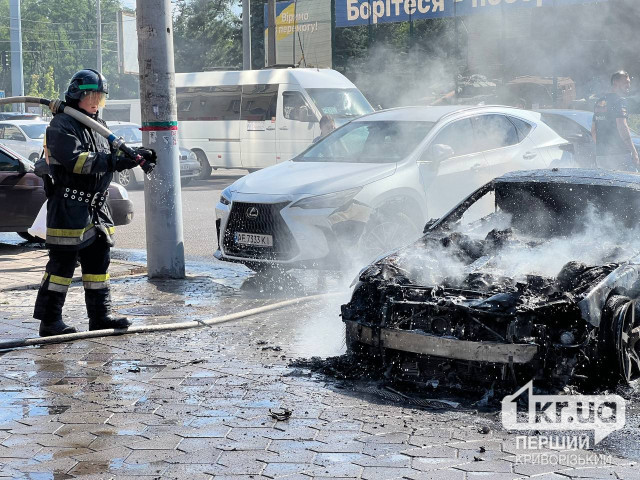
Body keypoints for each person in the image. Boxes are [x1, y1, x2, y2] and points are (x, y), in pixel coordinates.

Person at [33, 69, 156, 337]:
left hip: (98, 208)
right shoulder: (61, 125)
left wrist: (135, 155)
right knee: (62, 267)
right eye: (90, 95)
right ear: (77, 94)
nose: (94, 100)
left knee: (98, 264)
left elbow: (111, 153)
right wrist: (115, 161)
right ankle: (50, 321)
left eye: (99, 96)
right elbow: (77, 161)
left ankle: (100, 317)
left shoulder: (99, 126)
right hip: (69, 208)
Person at [591, 71, 639, 172]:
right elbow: (622, 126)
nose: (628, 85)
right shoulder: (620, 101)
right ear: (615, 83)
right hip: (620, 156)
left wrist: (602, 149)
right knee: (630, 185)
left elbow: (594, 131)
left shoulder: (599, 101)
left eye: (629, 82)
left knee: (606, 187)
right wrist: (634, 152)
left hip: (601, 157)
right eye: (625, 83)